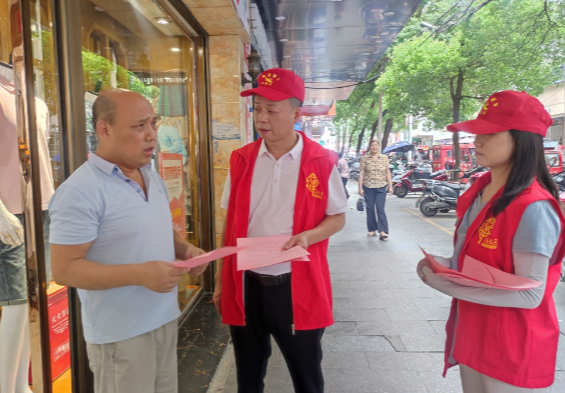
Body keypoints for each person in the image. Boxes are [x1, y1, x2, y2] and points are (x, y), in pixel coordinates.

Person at [49, 89, 207, 393]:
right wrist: (140, 274)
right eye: (139, 126)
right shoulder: (80, 191)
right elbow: (65, 270)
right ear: (104, 129)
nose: (151, 135)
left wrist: (184, 249)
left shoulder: (151, 175)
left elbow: (157, 226)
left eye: (153, 123)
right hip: (121, 334)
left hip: (163, 317)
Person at [416, 90, 565, 392]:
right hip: (474, 334)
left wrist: (444, 282)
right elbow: (474, 264)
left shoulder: (532, 207)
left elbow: (529, 294)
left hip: (511, 346)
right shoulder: (479, 193)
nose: (477, 141)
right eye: (477, 133)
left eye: (490, 133)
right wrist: (443, 265)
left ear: (521, 140)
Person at [213, 68, 347, 393]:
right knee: (248, 376)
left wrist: (308, 237)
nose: (262, 117)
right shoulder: (241, 160)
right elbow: (229, 222)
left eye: (271, 110)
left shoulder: (320, 161)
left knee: (306, 377)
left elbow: (337, 217)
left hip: (295, 285)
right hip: (247, 285)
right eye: (257, 108)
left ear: (296, 113)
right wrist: (220, 279)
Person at [358, 140, 393, 239]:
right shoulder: (365, 158)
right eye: (372, 145)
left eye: (376, 145)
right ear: (369, 147)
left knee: (380, 208)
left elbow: (387, 172)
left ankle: (383, 231)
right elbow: (361, 174)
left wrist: (390, 186)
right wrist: (360, 188)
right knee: (370, 208)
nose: (374, 147)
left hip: (381, 186)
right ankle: (372, 229)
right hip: (368, 186)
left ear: (379, 146)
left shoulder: (384, 158)